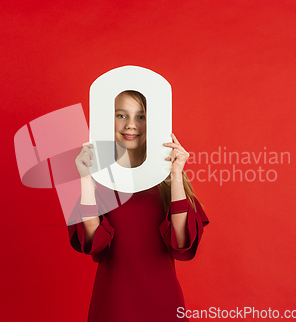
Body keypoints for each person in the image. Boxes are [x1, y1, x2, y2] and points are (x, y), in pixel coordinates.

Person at [68, 90, 210, 322]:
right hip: (114, 305)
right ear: (108, 119)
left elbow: (182, 241)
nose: (131, 125)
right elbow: (93, 243)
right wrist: (86, 178)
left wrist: (175, 174)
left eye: (141, 117)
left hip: (163, 303)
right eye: (121, 116)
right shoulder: (100, 179)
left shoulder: (168, 182)